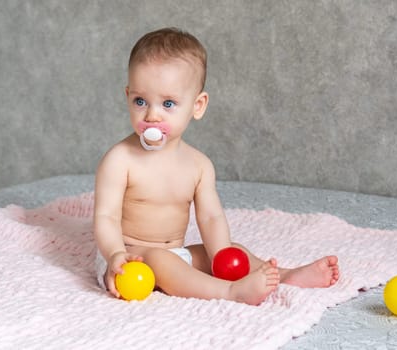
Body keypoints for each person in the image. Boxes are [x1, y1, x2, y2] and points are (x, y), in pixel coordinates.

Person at [94, 27, 339, 305]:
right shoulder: (119, 159)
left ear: (197, 106)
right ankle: (229, 292)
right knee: (159, 260)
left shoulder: (199, 165)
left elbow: (211, 218)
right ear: (128, 97)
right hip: (127, 261)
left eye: (168, 103)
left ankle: (285, 275)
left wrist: (222, 257)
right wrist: (115, 254)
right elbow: (106, 218)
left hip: (176, 254)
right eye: (140, 101)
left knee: (232, 251)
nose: (152, 114)